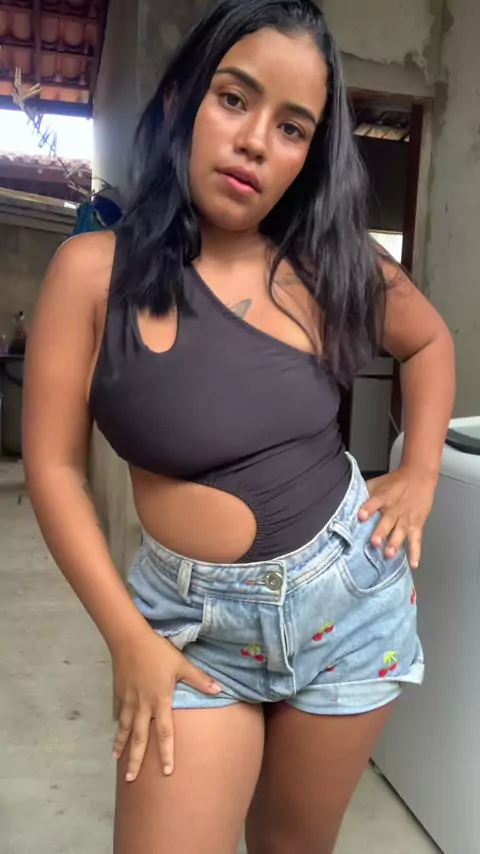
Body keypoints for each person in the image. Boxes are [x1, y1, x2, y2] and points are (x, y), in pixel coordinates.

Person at [23, 1, 455, 852]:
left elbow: (429, 340)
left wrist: (420, 470)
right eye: (233, 99)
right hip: (188, 629)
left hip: (349, 604)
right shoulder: (91, 273)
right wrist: (126, 637)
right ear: (182, 100)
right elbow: (53, 467)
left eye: (292, 128)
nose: (256, 141)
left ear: (308, 157)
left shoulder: (329, 264)